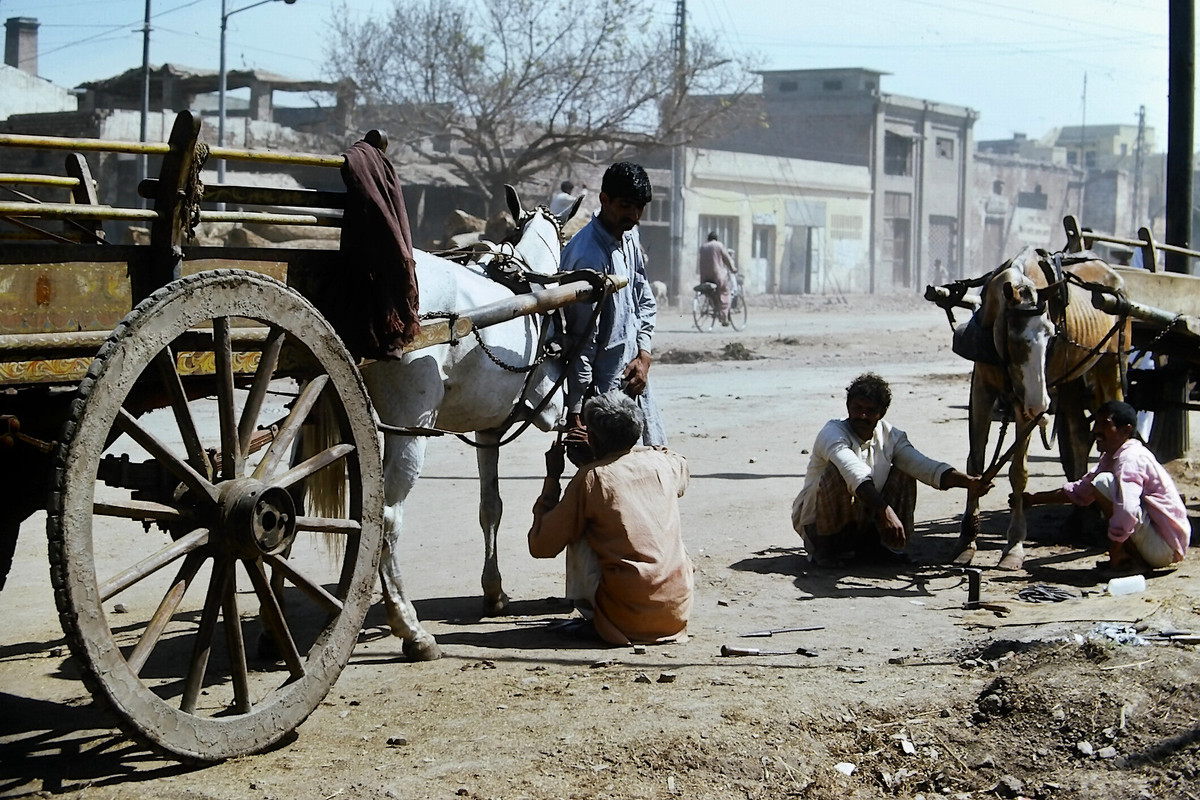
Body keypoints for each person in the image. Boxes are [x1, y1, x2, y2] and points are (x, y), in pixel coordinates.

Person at [528, 390, 693, 645]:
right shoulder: (664, 464)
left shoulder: (592, 478)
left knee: (578, 521)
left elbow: (541, 546)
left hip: (626, 619)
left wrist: (553, 477)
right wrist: (613, 451)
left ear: (592, 438)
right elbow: (676, 458)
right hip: (675, 614)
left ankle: (595, 615)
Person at [791, 372, 992, 567]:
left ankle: (881, 546)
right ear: (848, 406)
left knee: (905, 472)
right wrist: (885, 511)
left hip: (863, 518)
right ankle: (825, 550)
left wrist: (968, 482)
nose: (862, 416)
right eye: (857, 408)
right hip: (819, 525)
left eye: (870, 410)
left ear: (882, 412)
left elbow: (924, 467)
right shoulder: (832, 433)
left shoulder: (890, 436)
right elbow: (854, 474)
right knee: (836, 473)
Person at [560, 161, 666, 446]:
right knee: (611, 469)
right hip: (603, 395)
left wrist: (644, 354)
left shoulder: (629, 235)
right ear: (604, 200)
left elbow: (644, 300)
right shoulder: (587, 255)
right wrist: (576, 409)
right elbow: (581, 339)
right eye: (625, 206)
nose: (634, 215)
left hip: (636, 378)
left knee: (654, 459)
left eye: (640, 207)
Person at [1018, 400, 1189, 575]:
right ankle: (1129, 556)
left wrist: (1114, 552)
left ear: (1125, 431)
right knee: (1101, 483)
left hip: (1164, 548)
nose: (1096, 430)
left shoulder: (1130, 459)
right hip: (1161, 545)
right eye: (1096, 423)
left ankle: (1132, 562)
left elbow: (1128, 510)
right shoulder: (1111, 457)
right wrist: (1033, 499)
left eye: (1104, 425)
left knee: (1103, 483)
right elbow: (1080, 491)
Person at [697, 231, 736, 325]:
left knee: (711, 294)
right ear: (716, 238)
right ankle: (724, 318)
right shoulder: (719, 245)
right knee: (725, 293)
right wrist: (733, 269)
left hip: (705, 277)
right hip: (717, 276)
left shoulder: (703, 247)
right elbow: (727, 259)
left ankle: (714, 307)